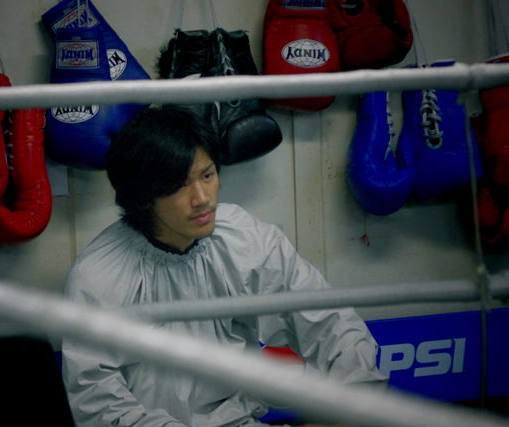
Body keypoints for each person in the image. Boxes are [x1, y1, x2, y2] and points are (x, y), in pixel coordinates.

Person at [62, 105, 387, 427]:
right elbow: (99, 405)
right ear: (144, 195)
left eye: (207, 175)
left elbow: (326, 319)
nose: (202, 198)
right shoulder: (99, 277)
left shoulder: (242, 237)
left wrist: (354, 404)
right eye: (179, 185)